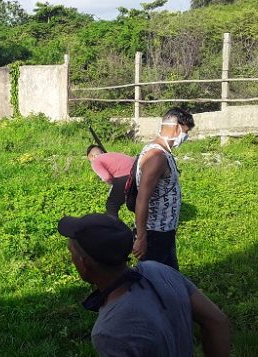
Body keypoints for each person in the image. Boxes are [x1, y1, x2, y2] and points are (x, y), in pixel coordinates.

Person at [58, 213, 230, 356]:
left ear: (83, 264)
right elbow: (217, 322)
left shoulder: (109, 331)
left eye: (71, 253)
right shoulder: (159, 271)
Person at [132, 107, 194, 270]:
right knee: (152, 281)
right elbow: (142, 198)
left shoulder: (163, 153)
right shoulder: (156, 157)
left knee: (170, 278)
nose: (185, 137)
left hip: (165, 231)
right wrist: (141, 238)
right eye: (185, 132)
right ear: (176, 127)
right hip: (155, 234)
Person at [86, 145, 134, 219]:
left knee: (111, 206)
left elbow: (106, 177)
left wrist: (112, 184)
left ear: (91, 157)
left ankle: (115, 228)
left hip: (125, 177)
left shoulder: (95, 161)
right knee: (133, 204)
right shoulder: (113, 154)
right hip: (139, 173)